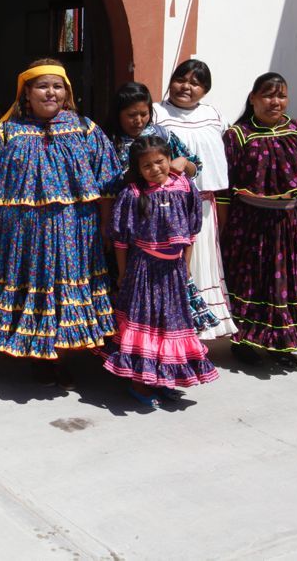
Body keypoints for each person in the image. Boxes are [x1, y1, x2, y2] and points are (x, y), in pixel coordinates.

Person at [0, 59, 120, 388]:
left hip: (75, 231)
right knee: (35, 288)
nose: (50, 92)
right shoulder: (6, 131)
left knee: (66, 289)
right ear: (26, 92)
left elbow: (108, 181)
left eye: (57, 86)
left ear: (66, 92)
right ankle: (39, 356)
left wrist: (106, 226)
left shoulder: (85, 129)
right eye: (42, 86)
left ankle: (65, 355)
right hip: (25, 235)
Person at [218, 72, 297, 368]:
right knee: (251, 281)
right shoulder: (238, 135)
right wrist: (222, 227)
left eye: (281, 96)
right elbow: (224, 185)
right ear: (253, 98)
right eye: (268, 95)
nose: (276, 102)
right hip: (250, 222)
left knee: (287, 281)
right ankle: (244, 340)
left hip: (292, 222)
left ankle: (282, 342)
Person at [103, 136, 219, 407]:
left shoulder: (184, 187)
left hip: (174, 271)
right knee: (146, 325)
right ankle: (139, 382)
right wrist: (122, 273)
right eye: (147, 166)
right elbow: (120, 241)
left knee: (169, 326)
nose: (155, 169)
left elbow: (191, 233)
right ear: (137, 169)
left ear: (170, 159)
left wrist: (186, 267)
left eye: (160, 161)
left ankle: (164, 378)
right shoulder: (132, 195)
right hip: (143, 270)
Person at [104, 81, 218, 333]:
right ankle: (133, 345)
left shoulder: (162, 136)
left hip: (166, 229)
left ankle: (168, 342)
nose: (138, 120)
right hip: (131, 227)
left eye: (143, 113)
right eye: (131, 115)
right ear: (118, 114)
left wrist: (182, 162)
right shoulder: (109, 140)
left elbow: (194, 165)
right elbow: (105, 186)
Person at [153, 59, 238, 340]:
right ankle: (173, 332)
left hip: (203, 206)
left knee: (202, 266)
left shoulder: (214, 115)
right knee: (175, 267)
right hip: (168, 208)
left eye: (195, 82)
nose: (185, 87)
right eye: (181, 79)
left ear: (205, 90)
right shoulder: (156, 113)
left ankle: (199, 334)